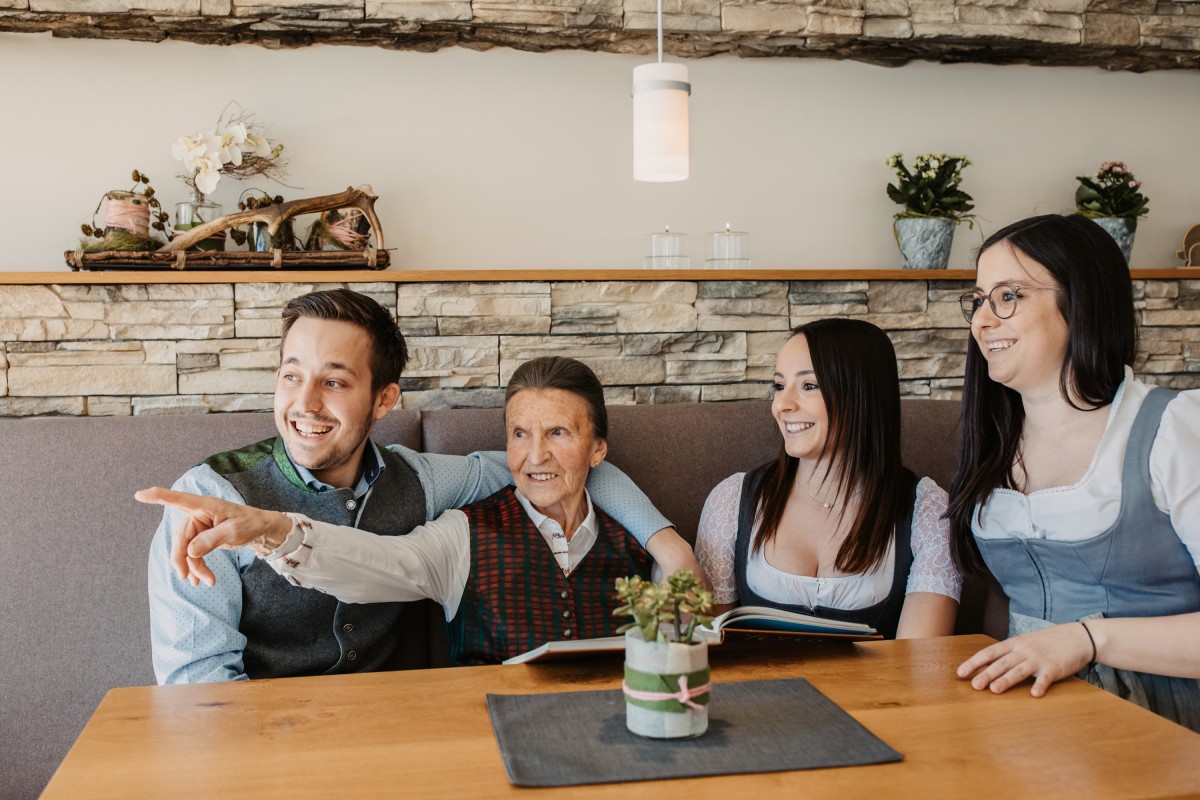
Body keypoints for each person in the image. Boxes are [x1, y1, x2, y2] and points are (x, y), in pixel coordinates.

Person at [148, 290, 696, 682]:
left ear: (385, 400)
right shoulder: (208, 499)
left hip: (389, 729)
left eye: (334, 381)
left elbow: (550, 473)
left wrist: (665, 542)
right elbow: (199, 688)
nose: (305, 403)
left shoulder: (423, 480)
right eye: (292, 375)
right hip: (263, 735)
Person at [948, 214, 1200, 730]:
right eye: (978, 300)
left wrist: (1088, 639)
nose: (982, 321)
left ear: (1080, 300)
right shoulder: (994, 441)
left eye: (1008, 296)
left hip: (1159, 721)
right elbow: (1003, 608)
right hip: (1029, 717)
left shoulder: (1172, 429)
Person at [694, 318, 961, 639]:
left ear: (863, 393)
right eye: (779, 386)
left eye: (809, 386)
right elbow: (706, 642)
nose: (782, 404)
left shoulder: (929, 513)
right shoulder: (732, 500)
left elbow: (920, 663)